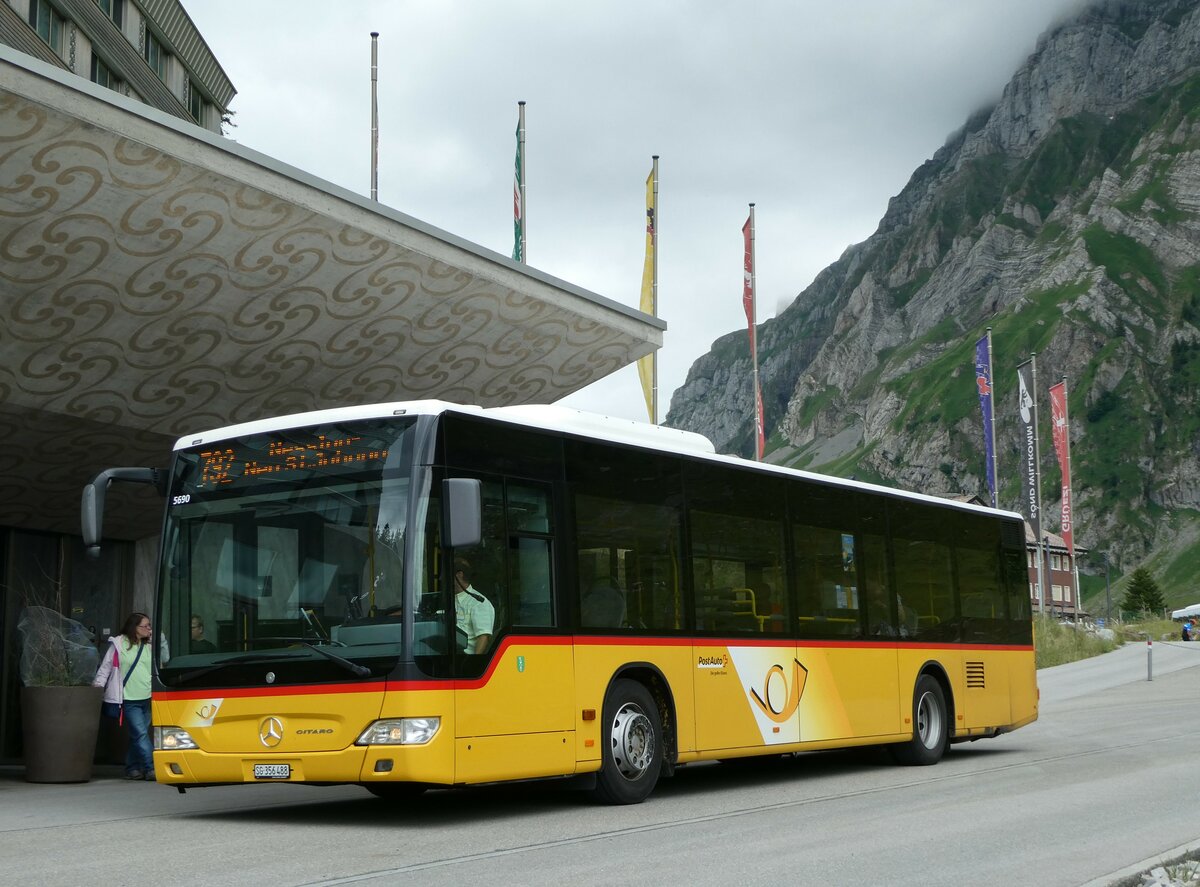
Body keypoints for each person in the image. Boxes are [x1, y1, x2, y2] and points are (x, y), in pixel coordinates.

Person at [92, 612, 155, 781]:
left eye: (150, 625)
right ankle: (151, 767)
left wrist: (160, 639)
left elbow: (165, 659)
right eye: (146, 626)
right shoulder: (118, 643)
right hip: (128, 699)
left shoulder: (150, 645)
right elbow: (105, 668)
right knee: (141, 734)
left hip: (147, 697)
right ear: (135, 628)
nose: (149, 628)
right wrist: (98, 687)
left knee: (138, 735)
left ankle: (133, 768)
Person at [453, 557, 495, 653]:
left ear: (459, 575)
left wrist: (474, 663)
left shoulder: (478, 602)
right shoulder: (448, 600)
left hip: (464, 659)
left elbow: (483, 637)